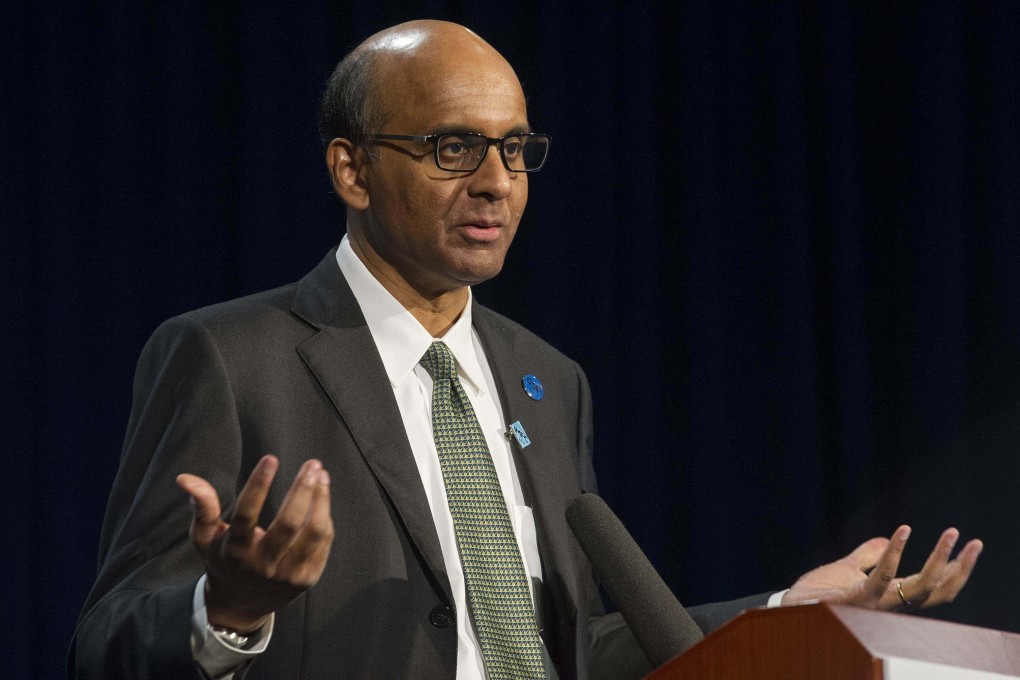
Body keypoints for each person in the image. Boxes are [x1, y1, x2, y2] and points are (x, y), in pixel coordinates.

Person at [69, 20, 983, 680]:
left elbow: (568, 649)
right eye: (453, 147)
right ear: (351, 168)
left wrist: (790, 611)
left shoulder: (549, 380)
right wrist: (225, 609)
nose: (497, 184)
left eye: (515, 150)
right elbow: (103, 642)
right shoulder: (229, 355)